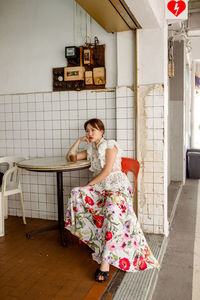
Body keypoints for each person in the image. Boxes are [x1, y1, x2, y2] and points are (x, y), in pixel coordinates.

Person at [65, 118, 160, 282]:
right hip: (101, 187)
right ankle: (95, 240)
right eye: (87, 131)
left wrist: (89, 184)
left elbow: (108, 170)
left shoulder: (110, 145)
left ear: (102, 131)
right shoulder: (91, 149)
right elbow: (70, 157)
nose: (90, 133)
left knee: (111, 210)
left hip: (117, 185)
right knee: (76, 193)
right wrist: (78, 141)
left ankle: (105, 263)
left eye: (93, 130)